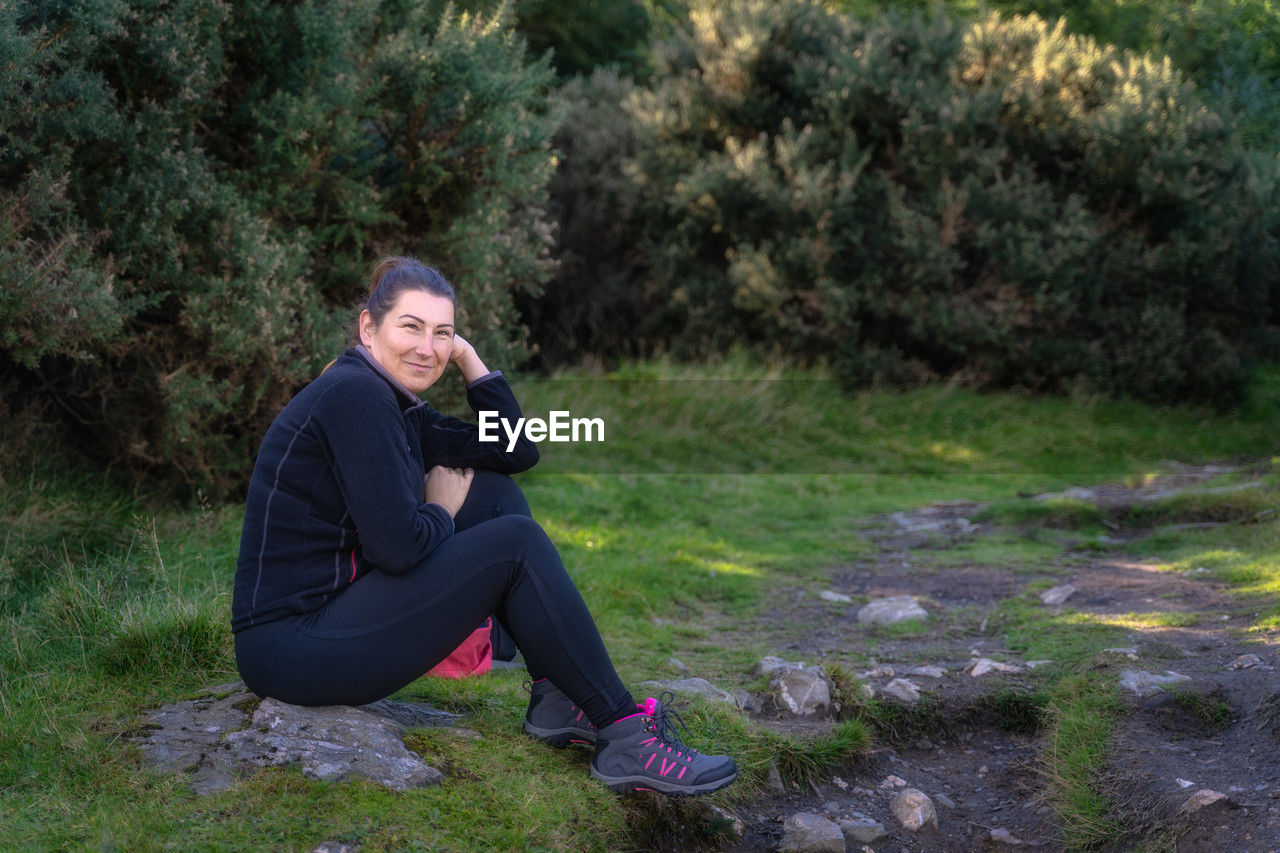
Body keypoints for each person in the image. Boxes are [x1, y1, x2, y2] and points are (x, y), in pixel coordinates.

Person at [231, 256, 737, 797]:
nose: (427, 348)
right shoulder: (355, 398)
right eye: (411, 327)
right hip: (290, 649)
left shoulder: (393, 404)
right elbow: (398, 549)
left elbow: (515, 449)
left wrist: (470, 359)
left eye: (442, 333)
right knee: (515, 545)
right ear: (367, 326)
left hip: (325, 620)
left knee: (495, 496)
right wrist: (443, 508)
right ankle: (625, 735)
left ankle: (555, 698)